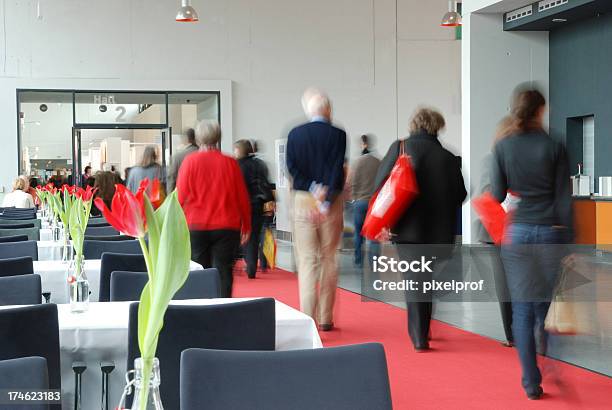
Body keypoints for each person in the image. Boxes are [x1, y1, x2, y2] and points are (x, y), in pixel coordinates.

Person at [491, 88, 572, 400]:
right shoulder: (554, 146)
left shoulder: (504, 147)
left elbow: (497, 193)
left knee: (522, 310)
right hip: (550, 232)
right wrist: (569, 242)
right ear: (541, 110)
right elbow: (564, 199)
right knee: (544, 306)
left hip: (519, 233)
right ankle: (546, 353)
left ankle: (530, 381)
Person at [374, 108, 466, 351]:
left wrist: (383, 221)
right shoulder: (447, 157)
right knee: (425, 280)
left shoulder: (400, 148)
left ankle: (419, 336)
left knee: (414, 281)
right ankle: (423, 328)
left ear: (413, 125)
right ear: (438, 126)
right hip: (439, 234)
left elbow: (380, 183)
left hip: (407, 230)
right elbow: (461, 194)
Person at [286, 88, 346, 331]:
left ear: (308, 111)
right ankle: (325, 318)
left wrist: (312, 189)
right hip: (331, 201)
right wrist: (325, 197)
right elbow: (337, 168)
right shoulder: (338, 135)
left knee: (308, 260)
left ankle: (306, 317)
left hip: (302, 200)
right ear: (328, 109)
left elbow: (291, 168)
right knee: (329, 259)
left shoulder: (295, 134)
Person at [177, 120, 251, 297]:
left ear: (198, 138)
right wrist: (246, 225)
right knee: (224, 271)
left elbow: (180, 197)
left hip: (196, 226)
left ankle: (200, 306)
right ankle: (222, 308)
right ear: (218, 137)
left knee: (198, 270)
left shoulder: (190, 162)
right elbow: (242, 197)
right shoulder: (230, 163)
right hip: (226, 226)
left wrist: (175, 224)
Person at [474, 116, 517, 348]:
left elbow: (486, 192)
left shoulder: (493, 159)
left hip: (509, 229)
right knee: (512, 283)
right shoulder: (495, 159)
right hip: (511, 229)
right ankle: (516, 331)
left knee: (508, 284)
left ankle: (514, 332)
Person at [234, 139, 274, 279]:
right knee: (255, 235)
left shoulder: (238, 165)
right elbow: (266, 184)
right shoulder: (259, 164)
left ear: (239, 150)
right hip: (258, 204)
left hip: (242, 205)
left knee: (244, 234)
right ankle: (254, 264)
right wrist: (270, 200)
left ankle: (249, 264)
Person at [349, 134, 380, 267]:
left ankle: (358, 259)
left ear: (362, 145)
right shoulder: (378, 162)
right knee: (374, 236)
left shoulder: (357, 163)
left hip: (360, 202)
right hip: (374, 203)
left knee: (358, 233)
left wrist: (354, 198)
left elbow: (352, 183)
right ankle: (374, 262)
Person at [167, 128, 199, 193]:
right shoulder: (204, 153)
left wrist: (169, 198)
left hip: (182, 197)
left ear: (186, 139)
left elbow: (171, 180)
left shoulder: (177, 157)